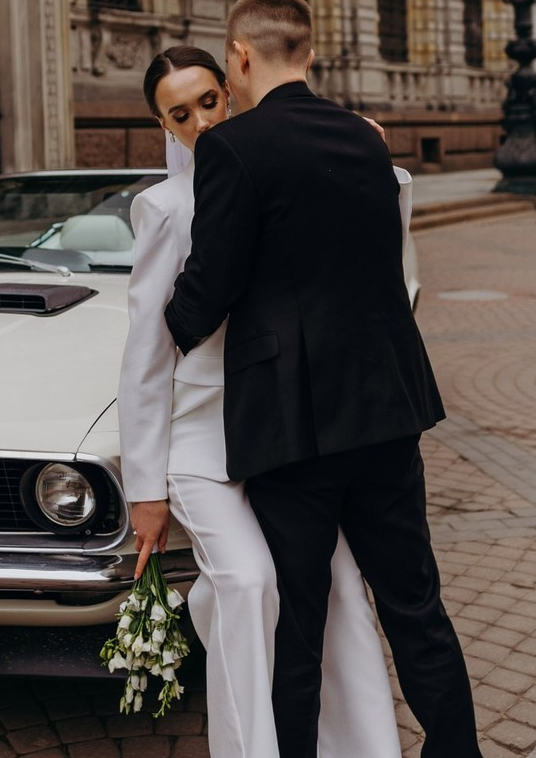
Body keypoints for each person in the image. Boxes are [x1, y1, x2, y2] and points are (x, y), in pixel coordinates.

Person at [165, 0, 482, 758]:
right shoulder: (367, 141)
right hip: (385, 410)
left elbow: (209, 290)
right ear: (308, 52)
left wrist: (170, 321)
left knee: (297, 629)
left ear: (240, 56)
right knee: (415, 606)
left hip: (293, 425)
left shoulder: (231, 150)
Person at [119, 45, 401, 758]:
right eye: (180, 115)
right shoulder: (162, 209)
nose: (202, 123)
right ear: (164, 126)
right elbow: (147, 356)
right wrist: (145, 486)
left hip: (281, 434)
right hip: (203, 441)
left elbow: (379, 203)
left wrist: (362, 137)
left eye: (210, 101)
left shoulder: (272, 169)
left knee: (335, 591)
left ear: (233, 88)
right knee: (246, 583)